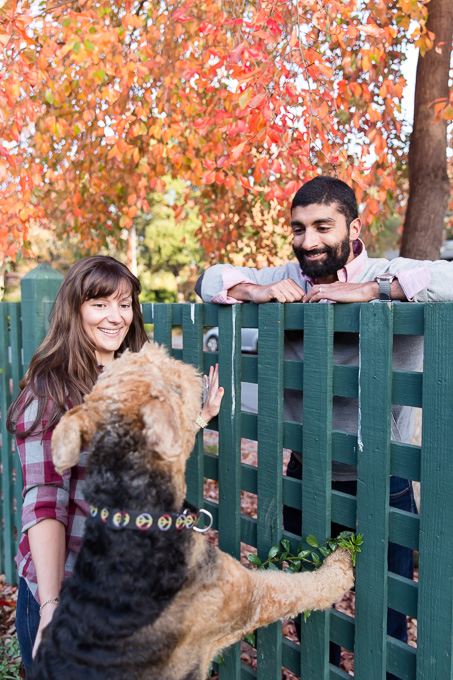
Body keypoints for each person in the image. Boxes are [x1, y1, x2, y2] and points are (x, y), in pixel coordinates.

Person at [195, 175, 453, 680]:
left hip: (383, 484)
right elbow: (209, 280)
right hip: (302, 480)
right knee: (313, 619)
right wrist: (256, 289)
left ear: (354, 227)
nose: (308, 241)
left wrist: (376, 289)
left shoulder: (388, 270)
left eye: (322, 226)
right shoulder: (285, 276)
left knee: (387, 620)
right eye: (298, 228)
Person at [7, 255, 223, 674]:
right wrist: (51, 606)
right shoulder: (50, 389)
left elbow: (151, 462)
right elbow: (44, 502)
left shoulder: (133, 377)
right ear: (75, 309)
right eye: (100, 304)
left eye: (124, 304)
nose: (115, 317)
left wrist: (198, 419)